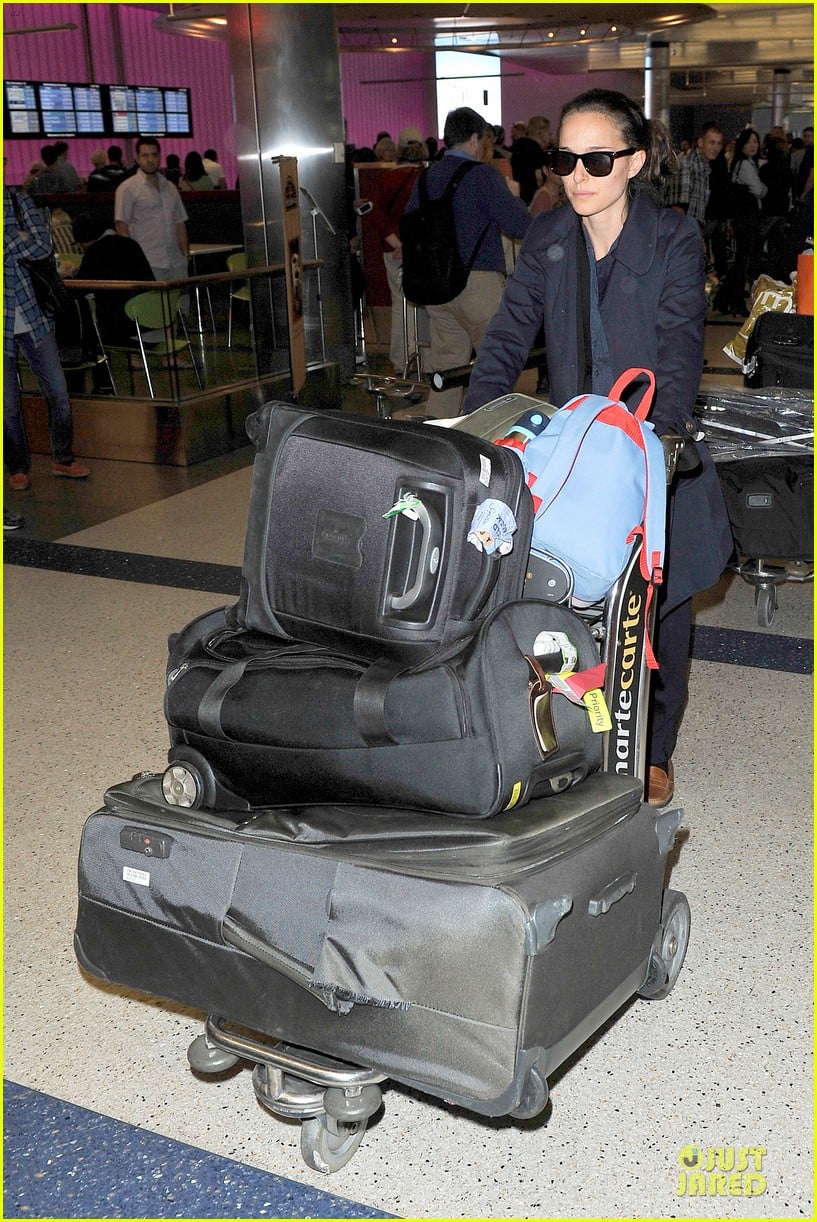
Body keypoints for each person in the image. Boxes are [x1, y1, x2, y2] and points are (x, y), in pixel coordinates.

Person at [462, 88, 733, 807]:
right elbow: (505, 339)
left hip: (649, 447)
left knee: (658, 606)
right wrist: (477, 428)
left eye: (596, 159)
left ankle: (653, 748)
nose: (577, 174)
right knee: (564, 601)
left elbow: (678, 348)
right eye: (565, 159)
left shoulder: (672, 239)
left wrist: (659, 439)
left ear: (634, 161)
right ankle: (572, 736)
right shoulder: (550, 237)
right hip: (572, 450)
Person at [403, 106, 531, 418]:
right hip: (479, 285)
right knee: (494, 369)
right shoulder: (483, 175)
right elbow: (519, 225)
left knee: (447, 371)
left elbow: (407, 224)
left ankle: (441, 442)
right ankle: (494, 443)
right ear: (475, 138)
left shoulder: (425, 177)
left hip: (438, 287)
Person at [3, 185, 90, 490]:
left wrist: (8, 242)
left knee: (59, 392)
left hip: (35, 316)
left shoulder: (19, 201)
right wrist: (19, 238)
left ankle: (63, 458)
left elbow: (43, 246)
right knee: (8, 404)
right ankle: (16, 466)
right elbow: (31, 244)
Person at [366, 127, 427, 374]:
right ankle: (420, 359)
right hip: (420, 252)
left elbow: (377, 215)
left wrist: (396, 244)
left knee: (400, 306)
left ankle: (401, 361)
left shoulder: (388, 179)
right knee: (421, 310)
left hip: (392, 252)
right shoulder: (425, 178)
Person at [72, 211, 155, 346]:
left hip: (122, 328)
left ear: (84, 241)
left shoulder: (95, 252)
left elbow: (80, 288)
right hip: (151, 319)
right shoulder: (131, 244)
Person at [114, 137, 189, 283]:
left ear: (160, 157)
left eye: (154, 155)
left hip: (176, 262)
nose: (150, 160)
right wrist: (132, 260)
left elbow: (180, 223)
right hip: (148, 262)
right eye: (145, 155)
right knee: (152, 305)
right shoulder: (127, 188)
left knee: (182, 305)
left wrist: (185, 255)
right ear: (137, 158)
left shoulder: (170, 187)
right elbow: (121, 226)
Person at [511, 114, 552, 204]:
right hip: (532, 199)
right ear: (542, 133)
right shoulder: (536, 151)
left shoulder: (518, 147)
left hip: (518, 197)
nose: (550, 138)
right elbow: (539, 177)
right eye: (549, 134)